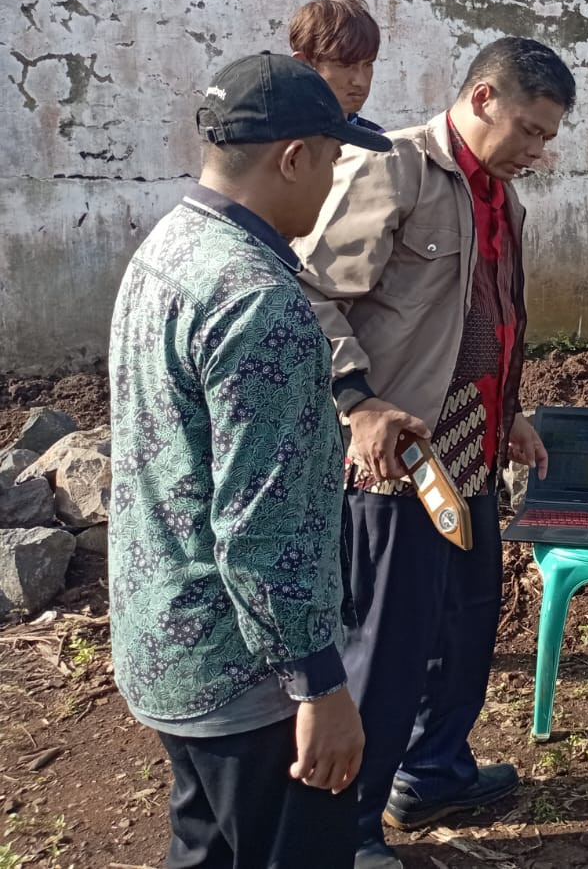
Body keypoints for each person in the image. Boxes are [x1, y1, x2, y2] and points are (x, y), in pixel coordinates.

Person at [295, 36, 574, 869]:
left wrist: (510, 411)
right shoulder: (395, 171)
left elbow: (483, 316)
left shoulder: (502, 199)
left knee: (465, 624)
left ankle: (435, 771)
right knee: (386, 646)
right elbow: (308, 294)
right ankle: (346, 831)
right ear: (482, 98)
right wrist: (357, 402)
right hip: (397, 459)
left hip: (474, 452)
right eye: (528, 130)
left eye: (548, 139)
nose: (535, 152)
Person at [108, 52, 392, 869]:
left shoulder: (168, 249)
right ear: (292, 157)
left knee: (205, 849)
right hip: (250, 680)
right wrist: (319, 688)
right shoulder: (258, 301)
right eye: (334, 159)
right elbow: (264, 527)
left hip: (168, 640)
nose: (335, 179)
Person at [289, 0, 387, 134]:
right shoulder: (274, 143)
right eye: (345, 65)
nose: (361, 81)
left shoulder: (378, 140)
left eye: (368, 64)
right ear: (304, 64)